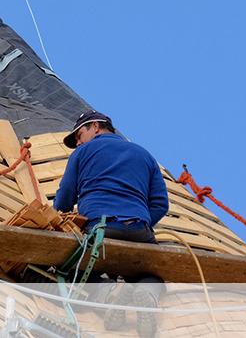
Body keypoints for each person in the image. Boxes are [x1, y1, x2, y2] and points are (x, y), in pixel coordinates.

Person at [54, 110, 169, 337]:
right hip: (140, 230)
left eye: (79, 135)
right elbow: (160, 204)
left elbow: (65, 198)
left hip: (101, 229)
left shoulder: (83, 153)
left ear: (95, 126)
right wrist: (139, 221)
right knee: (152, 275)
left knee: (74, 271)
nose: (78, 142)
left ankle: (108, 295)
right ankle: (147, 296)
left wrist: (59, 219)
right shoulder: (144, 155)